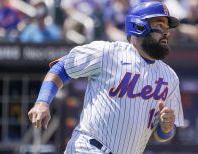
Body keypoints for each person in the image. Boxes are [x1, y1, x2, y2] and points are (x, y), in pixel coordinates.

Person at [28, 1, 184, 154]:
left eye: (167, 27)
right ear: (139, 26)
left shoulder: (169, 77)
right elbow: (61, 68)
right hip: (89, 147)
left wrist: (166, 127)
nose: (166, 32)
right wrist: (42, 102)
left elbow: (163, 136)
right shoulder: (107, 53)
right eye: (159, 25)